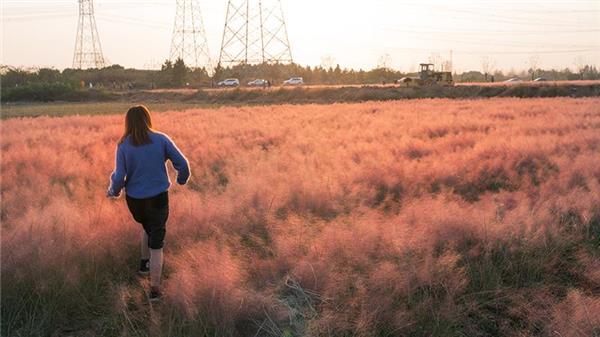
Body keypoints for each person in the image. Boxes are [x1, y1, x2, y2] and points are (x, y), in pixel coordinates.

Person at [107, 105, 190, 302]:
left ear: (128, 122)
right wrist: (181, 180)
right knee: (157, 243)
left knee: (147, 227)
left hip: (135, 201)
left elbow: (119, 176)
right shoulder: (161, 139)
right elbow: (183, 164)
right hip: (158, 198)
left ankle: (144, 266)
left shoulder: (123, 145)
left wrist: (113, 191)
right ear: (147, 119)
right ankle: (155, 290)